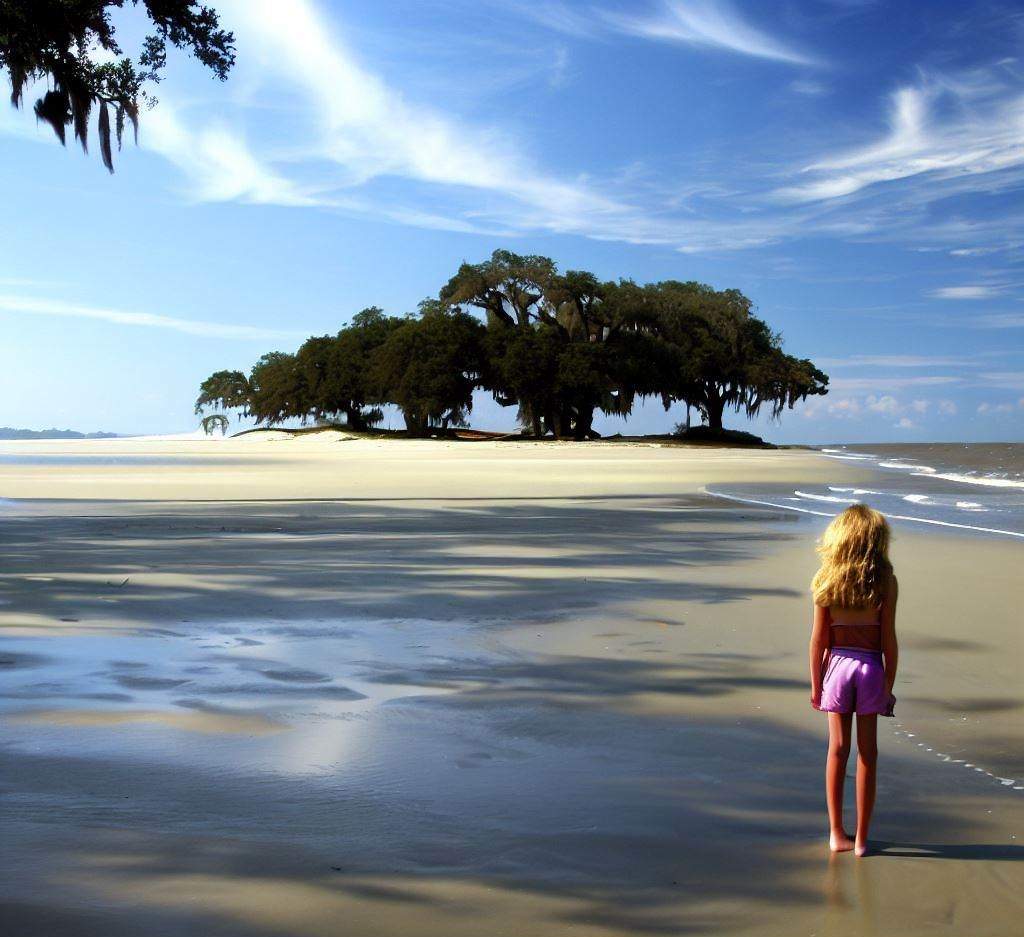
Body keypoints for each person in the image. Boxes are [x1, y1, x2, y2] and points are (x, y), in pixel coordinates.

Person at [808, 504, 898, 857]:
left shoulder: (825, 579)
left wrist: (816, 685)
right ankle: (861, 839)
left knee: (837, 749)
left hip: (838, 669)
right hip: (871, 668)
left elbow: (819, 641)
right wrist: (887, 685)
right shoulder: (885, 581)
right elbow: (888, 638)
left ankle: (835, 833)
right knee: (868, 754)